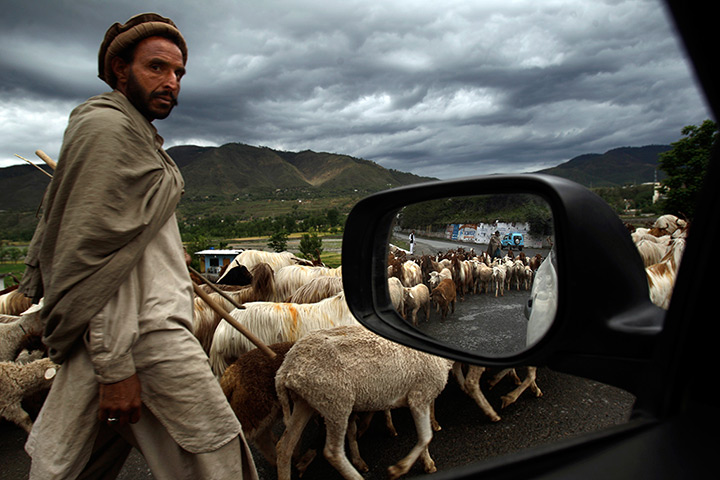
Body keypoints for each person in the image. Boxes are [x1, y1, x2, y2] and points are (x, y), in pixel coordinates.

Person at [19, 13, 258, 480]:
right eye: (157, 67)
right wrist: (114, 367)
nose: (171, 82)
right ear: (119, 70)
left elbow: (122, 239)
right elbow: (93, 259)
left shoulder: (134, 135)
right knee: (219, 456)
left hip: (119, 337)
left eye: (179, 72)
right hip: (144, 338)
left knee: (71, 465)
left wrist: (170, 255)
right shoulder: (107, 131)